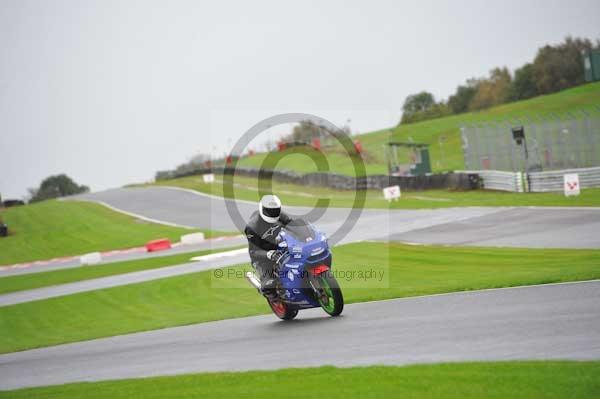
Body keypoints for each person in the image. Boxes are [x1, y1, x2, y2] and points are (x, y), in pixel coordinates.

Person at [244, 194, 292, 296]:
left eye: (274, 210)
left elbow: (295, 225)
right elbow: (253, 251)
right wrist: (269, 254)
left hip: (282, 247)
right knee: (269, 287)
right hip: (263, 258)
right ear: (262, 208)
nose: (272, 213)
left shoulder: (281, 215)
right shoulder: (252, 227)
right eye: (269, 211)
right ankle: (260, 285)